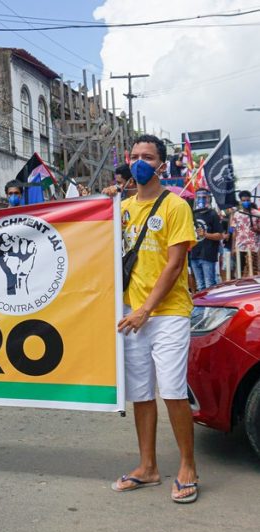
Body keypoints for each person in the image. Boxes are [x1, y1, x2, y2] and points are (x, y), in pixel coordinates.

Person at [103, 134, 199, 504]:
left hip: (167, 313)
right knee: (141, 393)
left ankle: (188, 466)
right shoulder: (121, 208)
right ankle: (148, 467)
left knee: (173, 390)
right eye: (134, 155)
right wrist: (104, 202)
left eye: (148, 156)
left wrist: (146, 310)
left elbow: (175, 265)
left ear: (162, 164)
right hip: (131, 314)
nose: (140, 161)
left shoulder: (175, 206)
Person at [188, 188, 224, 292]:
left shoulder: (212, 214)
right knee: (200, 286)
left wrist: (205, 234)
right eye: (199, 197)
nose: (201, 200)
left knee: (209, 286)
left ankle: (211, 307)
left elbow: (220, 235)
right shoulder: (192, 213)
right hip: (194, 254)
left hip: (208, 255)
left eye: (204, 197)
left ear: (209, 198)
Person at [230, 190, 260, 277]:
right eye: (243, 201)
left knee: (253, 271)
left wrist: (256, 229)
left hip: (253, 247)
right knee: (240, 271)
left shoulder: (257, 214)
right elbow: (234, 231)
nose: (246, 202)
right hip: (240, 247)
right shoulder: (237, 214)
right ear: (240, 201)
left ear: (250, 200)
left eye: (247, 200)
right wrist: (233, 248)